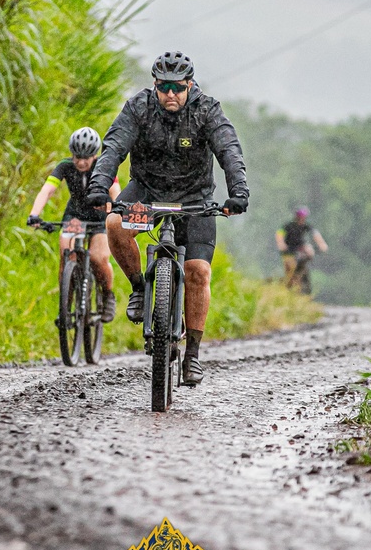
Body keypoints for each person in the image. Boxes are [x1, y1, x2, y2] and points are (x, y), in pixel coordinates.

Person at [84, 51, 249, 387]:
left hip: (194, 198)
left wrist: (238, 192)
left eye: (178, 87)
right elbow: (113, 148)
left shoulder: (206, 110)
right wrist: (99, 188)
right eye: (164, 87)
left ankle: (192, 355)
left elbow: (229, 150)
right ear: (155, 85)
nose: (171, 93)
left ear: (190, 85)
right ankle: (139, 288)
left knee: (198, 272)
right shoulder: (139, 108)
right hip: (147, 191)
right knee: (115, 224)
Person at [27, 127, 121, 322]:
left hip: (99, 216)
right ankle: (65, 306)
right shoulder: (65, 166)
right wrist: (34, 214)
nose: (81, 162)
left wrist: (117, 210)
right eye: (77, 157)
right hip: (75, 216)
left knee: (98, 258)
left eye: (86, 158)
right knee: (66, 255)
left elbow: (115, 191)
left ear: (94, 155)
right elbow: (47, 190)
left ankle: (107, 295)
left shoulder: (104, 166)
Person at [276, 206, 327, 293]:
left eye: (303, 218)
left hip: (300, 248)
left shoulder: (305, 226)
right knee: (290, 269)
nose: (302, 220)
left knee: (308, 249)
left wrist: (322, 244)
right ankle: (289, 286)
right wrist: (281, 244)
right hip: (289, 250)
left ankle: (301, 277)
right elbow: (279, 234)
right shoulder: (289, 226)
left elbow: (315, 234)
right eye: (300, 217)